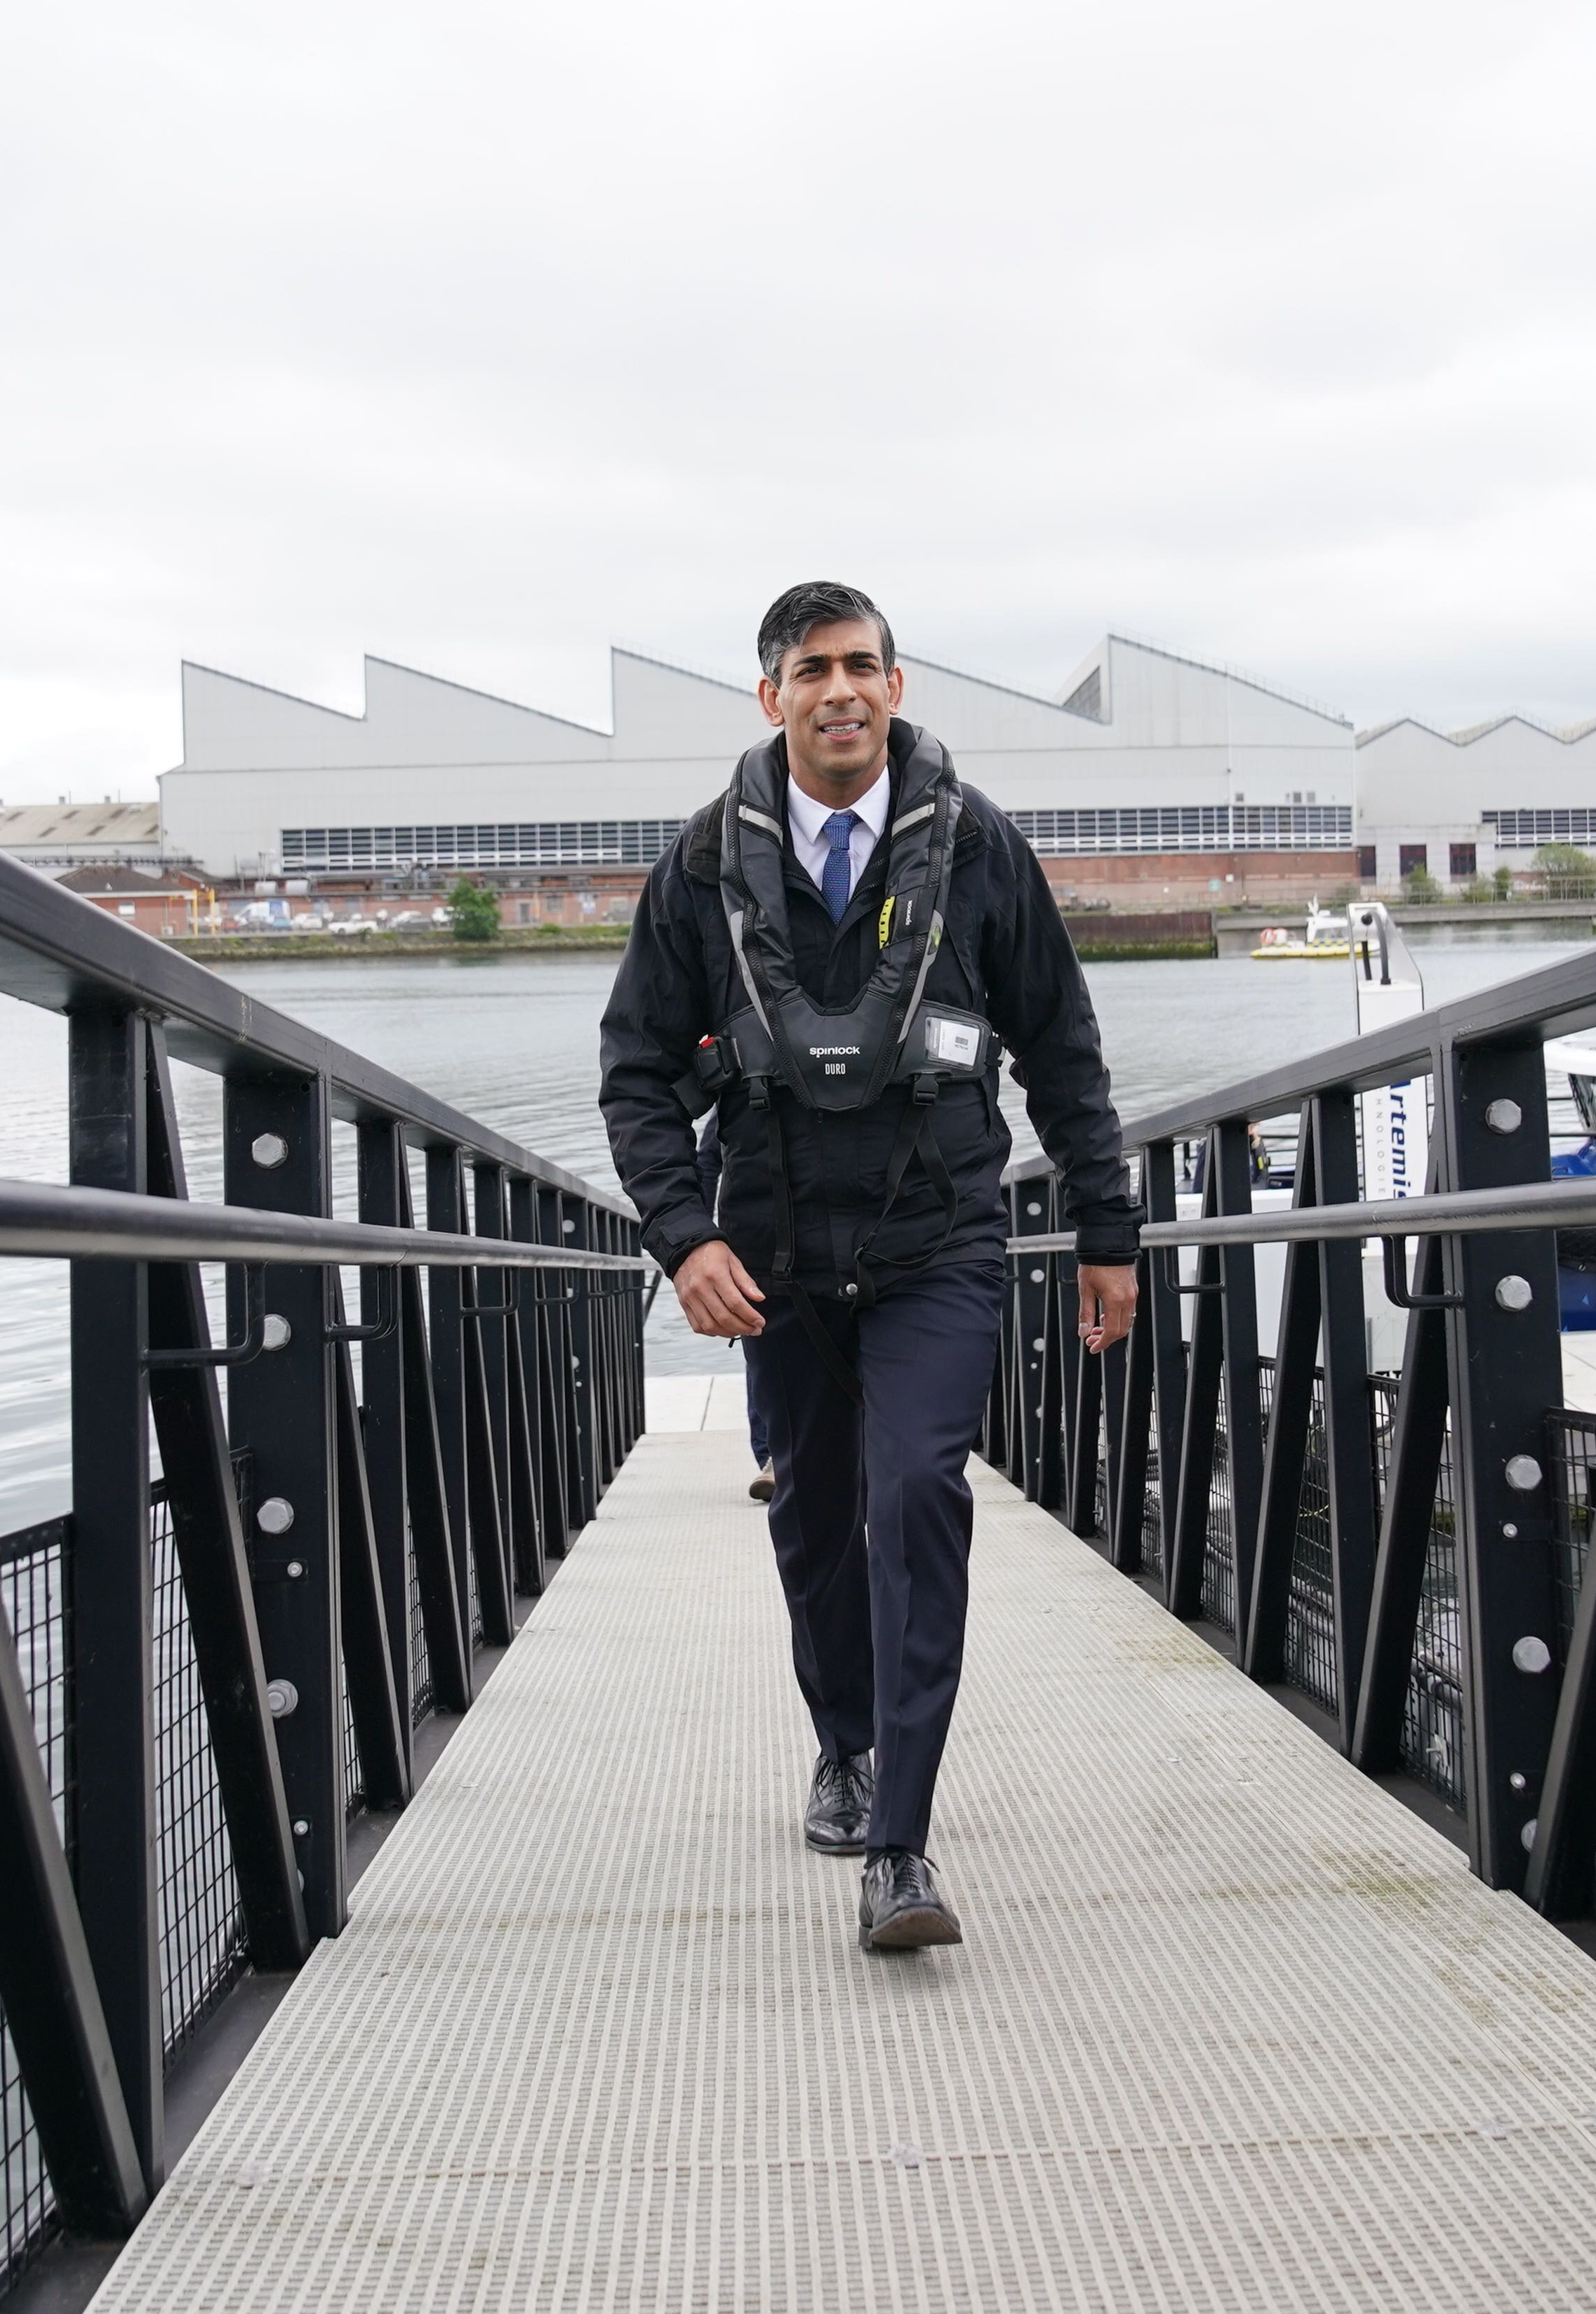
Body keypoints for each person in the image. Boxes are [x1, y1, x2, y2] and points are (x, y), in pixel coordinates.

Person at [599, 581, 1141, 1953]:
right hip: (773, 1255)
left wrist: (1107, 1230)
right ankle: (843, 1741)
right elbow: (635, 1070)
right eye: (810, 669)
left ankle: (899, 1840)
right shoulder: (706, 867)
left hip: (939, 1241)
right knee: (818, 1521)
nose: (839, 690)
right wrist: (686, 1233)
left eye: (861, 666)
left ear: (896, 687)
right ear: (770, 696)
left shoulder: (976, 851)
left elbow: (1062, 1047)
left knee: (916, 1498)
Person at [689, 1113, 776, 1496]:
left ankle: (781, 1457)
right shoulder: (744, 1068)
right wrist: (697, 1242)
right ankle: (774, 1458)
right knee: (764, 1340)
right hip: (758, 1239)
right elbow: (708, 1161)